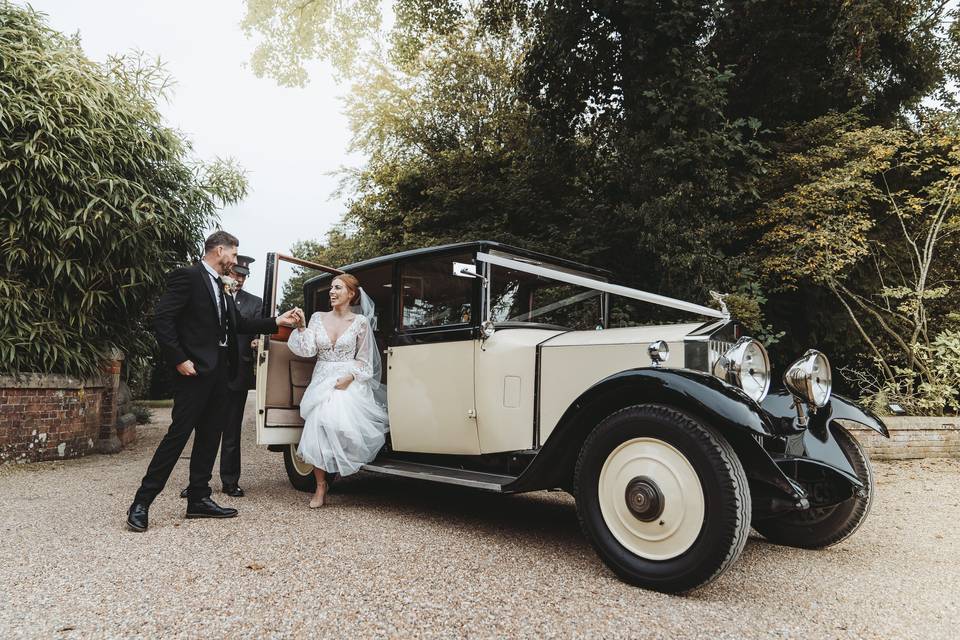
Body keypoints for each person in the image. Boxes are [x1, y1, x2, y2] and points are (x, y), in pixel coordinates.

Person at [126, 231, 302, 532]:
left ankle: (198, 499)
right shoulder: (188, 276)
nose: (234, 261)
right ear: (219, 250)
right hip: (193, 372)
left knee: (210, 436)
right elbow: (163, 319)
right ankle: (142, 502)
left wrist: (277, 322)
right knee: (178, 436)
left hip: (222, 372)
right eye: (233, 255)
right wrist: (179, 359)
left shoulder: (221, 286)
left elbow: (240, 324)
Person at [287, 273, 389, 508]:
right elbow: (309, 350)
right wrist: (302, 327)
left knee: (339, 427)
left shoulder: (360, 323)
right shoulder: (317, 317)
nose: (332, 292)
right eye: (331, 288)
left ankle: (341, 471)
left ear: (351, 294)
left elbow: (366, 361)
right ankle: (321, 486)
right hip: (322, 380)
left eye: (338, 288)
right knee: (317, 428)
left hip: (347, 381)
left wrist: (350, 377)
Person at [178, 255, 261, 499]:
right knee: (203, 429)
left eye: (244, 276)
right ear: (228, 273)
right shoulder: (211, 294)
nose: (240, 279)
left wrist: (259, 341)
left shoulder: (256, 303)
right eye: (237, 274)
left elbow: (255, 330)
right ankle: (197, 482)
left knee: (232, 430)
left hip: (237, 373)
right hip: (209, 372)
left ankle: (230, 481)